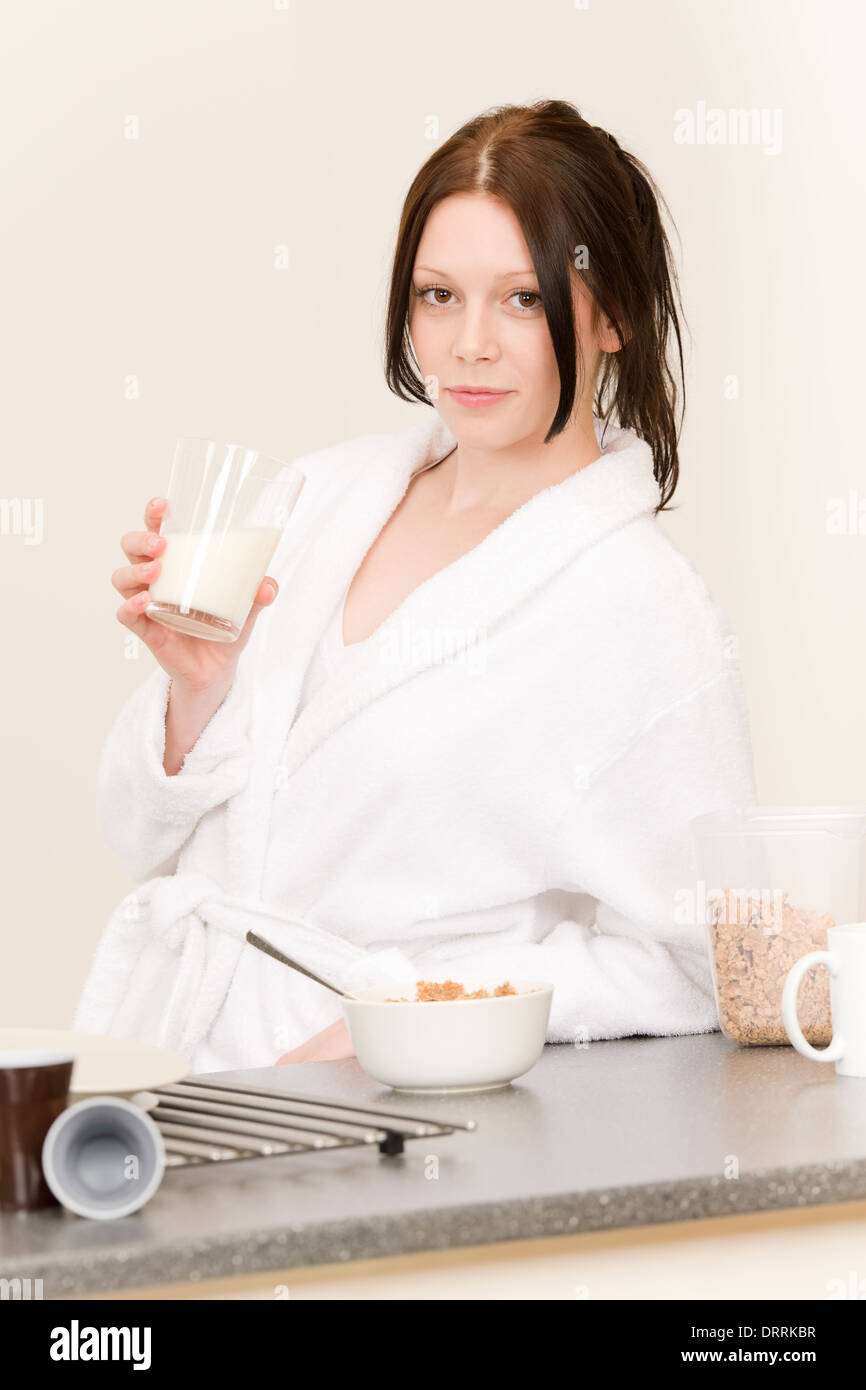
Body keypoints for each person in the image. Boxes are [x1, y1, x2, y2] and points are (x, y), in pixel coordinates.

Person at [74, 99, 757, 1072]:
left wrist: (402, 1016)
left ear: (613, 315)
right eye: (438, 294)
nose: (468, 342)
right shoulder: (312, 498)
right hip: (188, 1072)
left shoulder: (638, 608)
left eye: (521, 298)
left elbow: (692, 965)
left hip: (406, 1117)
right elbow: (133, 832)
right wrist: (196, 692)